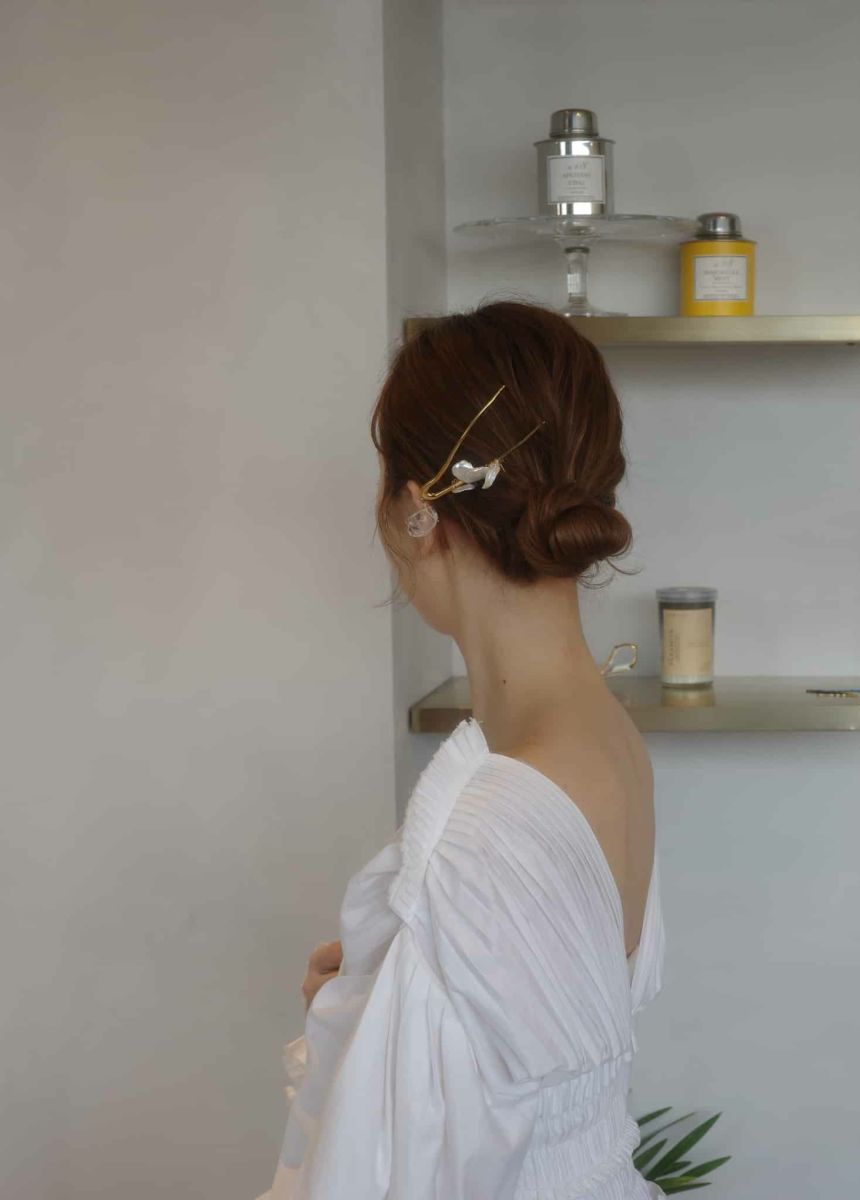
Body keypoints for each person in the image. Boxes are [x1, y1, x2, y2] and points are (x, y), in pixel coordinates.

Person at [254, 300, 666, 1199]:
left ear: (416, 511)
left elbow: (398, 1174)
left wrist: (354, 1031)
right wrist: (374, 1007)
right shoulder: (607, 737)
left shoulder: (492, 820)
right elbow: (521, 1063)